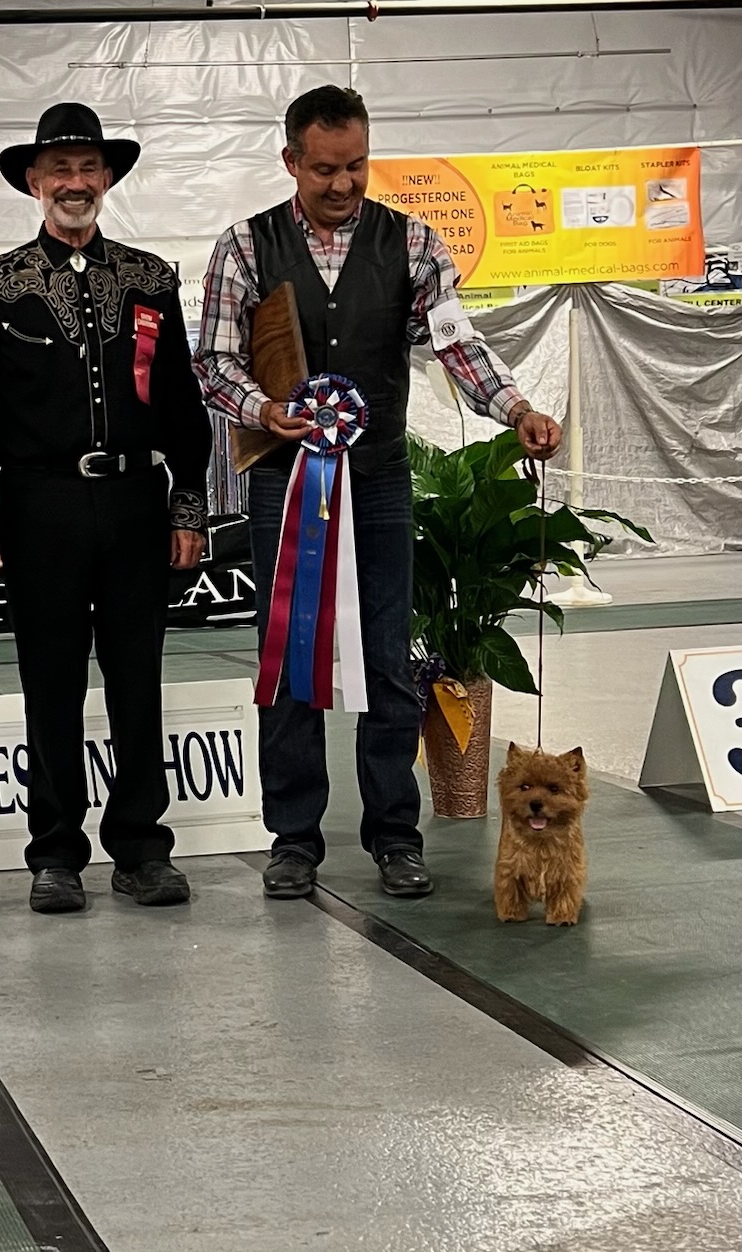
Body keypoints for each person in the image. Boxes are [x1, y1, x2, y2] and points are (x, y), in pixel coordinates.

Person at [195, 85, 563, 902]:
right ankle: (292, 841)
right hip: (284, 481)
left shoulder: (413, 242)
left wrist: (517, 410)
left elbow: (457, 347)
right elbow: (213, 363)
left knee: (389, 658)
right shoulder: (244, 246)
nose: (343, 183)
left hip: (380, 479)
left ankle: (395, 836)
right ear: (290, 161)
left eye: (356, 165)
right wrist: (263, 410)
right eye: (324, 169)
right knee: (288, 657)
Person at [0, 102, 211, 916]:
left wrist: (187, 506)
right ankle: (55, 854)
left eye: (87, 167)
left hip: (135, 503)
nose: (74, 181)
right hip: (40, 504)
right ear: (33, 181)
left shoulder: (151, 278)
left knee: (137, 679)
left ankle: (141, 848)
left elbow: (181, 403)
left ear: (107, 178)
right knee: (49, 683)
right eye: (58, 168)